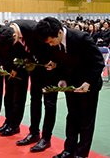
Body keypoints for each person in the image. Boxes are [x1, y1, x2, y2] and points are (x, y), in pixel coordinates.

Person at [35, 17, 104, 158]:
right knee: (72, 117)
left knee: (86, 120)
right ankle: (69, 150)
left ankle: (82, 153)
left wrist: (88, 83)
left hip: (88, 85)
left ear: (60, 32)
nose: (51, 45)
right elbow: (61, 62)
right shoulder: (56, 43)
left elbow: (98, 63)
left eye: (51, 41)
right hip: (71, 84)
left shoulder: (81, 38)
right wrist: (61, 79)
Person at [0, 20, 58, 153]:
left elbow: (51, 45)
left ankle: (46, 138)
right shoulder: (7, 32)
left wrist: (54, 61)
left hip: (50, 67)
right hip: (35, 68)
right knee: (35, 99)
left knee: (49, 103)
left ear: (15, 36)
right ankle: (34, 132)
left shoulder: (33, 29)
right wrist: (27, 59)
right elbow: (20, 51)